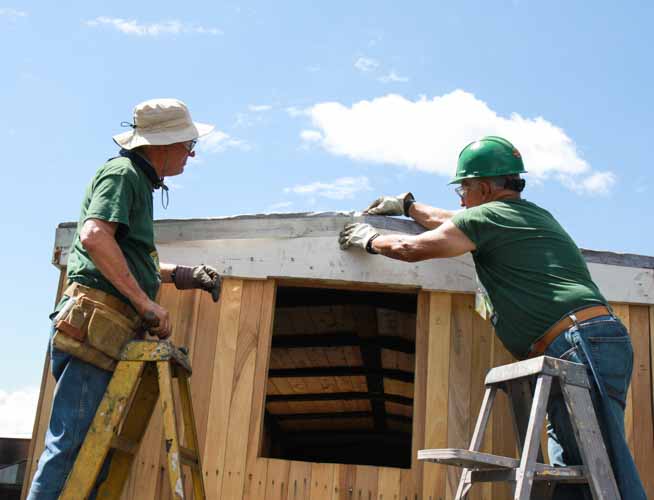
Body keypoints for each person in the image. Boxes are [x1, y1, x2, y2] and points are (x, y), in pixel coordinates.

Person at [338, 136, 645, 499]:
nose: (460, 198)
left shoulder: (487, 217)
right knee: (575, 470)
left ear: (483, 188)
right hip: (589, 340)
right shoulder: (524, 215)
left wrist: (370, 239)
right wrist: (409, 206)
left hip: (578, 343)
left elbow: (412, 248)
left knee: (606, 466)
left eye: (463, 188)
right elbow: (454, 219)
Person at [27, 98, 222, 499]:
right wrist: (146, 304)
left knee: (89, 455)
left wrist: (182, 275)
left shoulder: (137, 182)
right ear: (163, 143)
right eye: (188, 144)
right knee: (70, 450)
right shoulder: (123, 174)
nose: (191, 153)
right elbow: (95, 237)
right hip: (95, 325)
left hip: (105, 330)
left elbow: (130, 258)